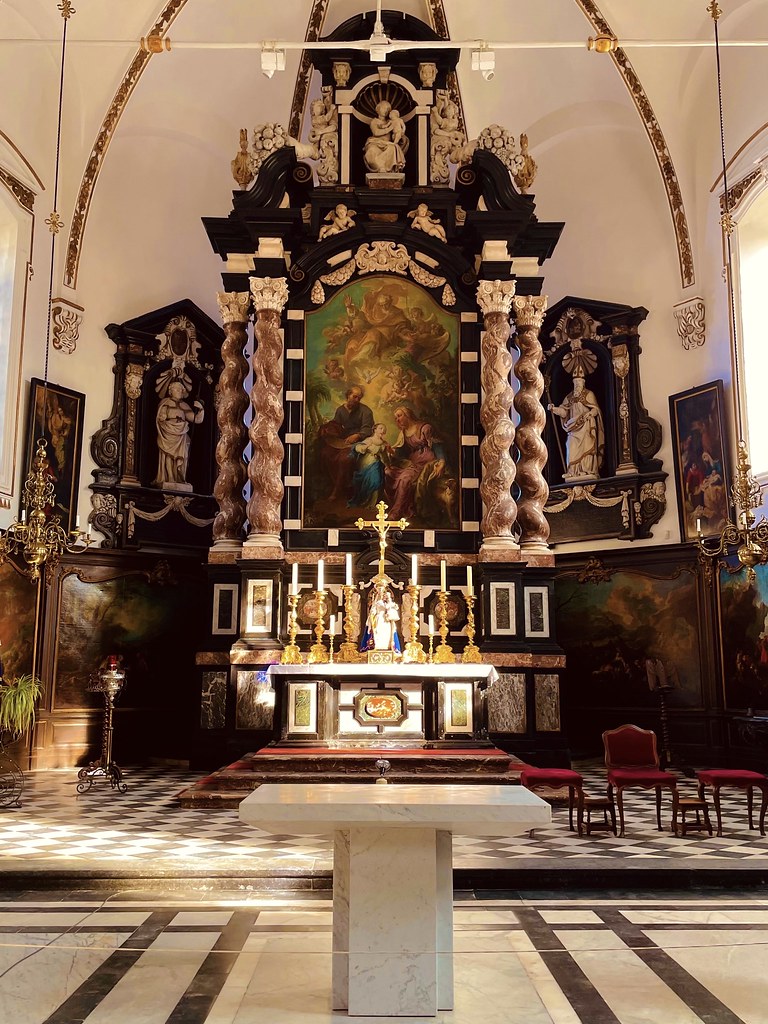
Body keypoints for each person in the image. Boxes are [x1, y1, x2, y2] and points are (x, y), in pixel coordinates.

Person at [385, 405, 448, 520]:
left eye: (399, 415)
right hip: (413, 462)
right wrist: (391, 451)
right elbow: (400, 452)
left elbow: (437, 445)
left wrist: (442, 461)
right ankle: (400, 507)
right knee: (389, 472)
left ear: (407, 414)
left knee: (405, 479)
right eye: (396, 418)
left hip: (427, 461)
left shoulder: (424, 428)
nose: (397, 419)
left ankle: (397, 511)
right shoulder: (403, 432)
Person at [321, 385, 374, 501]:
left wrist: (358, 435)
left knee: (344, 459)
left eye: (359, 398)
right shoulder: (340, 410)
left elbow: (368, 429)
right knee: (325, 453)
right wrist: (328, 429)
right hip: (341, 442)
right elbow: (337, 426)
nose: (356, 400)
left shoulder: (366, 411)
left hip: (358, 443)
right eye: (354, 397)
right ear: (348, 395)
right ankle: (338, 484)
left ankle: (337, 489)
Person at [548, 373, 604, 480]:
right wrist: (554, 409)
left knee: (587, 447)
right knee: (571, 446)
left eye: (579, 382)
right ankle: (573, 472)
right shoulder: (569, 397)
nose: (577, 384)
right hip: (573, 427)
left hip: (586, 426)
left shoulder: (589, 394)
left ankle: (587, 470)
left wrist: (590, 414)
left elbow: (596, 409)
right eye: (575, 382)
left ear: (583, 383)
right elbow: (564, 412)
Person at [154, 380, 204, 487]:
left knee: (182, 456)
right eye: (177, 389)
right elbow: (160, 417)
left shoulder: (184, 405)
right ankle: (170, 478)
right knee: (168, 455)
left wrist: (200, 409)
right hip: (168, 431)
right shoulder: (165, 403)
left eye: (181, 389)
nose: (179, 391)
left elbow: (195, 419)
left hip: (181, 433)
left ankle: (180, 478)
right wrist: (162, 418)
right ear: (171, 391)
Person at [349, 423, 389, 508]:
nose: (383, 430)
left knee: (376, 480)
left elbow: (385, 458)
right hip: (366, 464)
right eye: (381, 428)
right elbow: (357, 448)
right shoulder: (369, 440)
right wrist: (365, 447)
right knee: (367, 483)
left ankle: (372, 504)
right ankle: (367, 501)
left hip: (376, 465)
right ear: (375, 430)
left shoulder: (383, 444)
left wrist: (388, 464)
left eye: (384, 429)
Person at [363, 101, 408, 174]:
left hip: (388, 144)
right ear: (378, 109)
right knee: (372, 150)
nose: (386, 110)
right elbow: (376, 132)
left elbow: (396, 133)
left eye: (388, 109)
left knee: (393, 148)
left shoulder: (391, 121)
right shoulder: (374, 121)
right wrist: (389, 129)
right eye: (384, 108)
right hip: (375, 142)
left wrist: (400, 135)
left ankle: (388, 169)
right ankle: (380, 168)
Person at [360, 581, 401, 653]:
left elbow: (391, 606)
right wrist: (372, 613)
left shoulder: (387, 600)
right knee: (378, 632)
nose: (380, 591)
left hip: (386, 619)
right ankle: (378, 646)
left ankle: (387, 647)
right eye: (378, 589)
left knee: (387, 633)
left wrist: (389, 602)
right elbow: (373, 609)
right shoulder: (376, 601)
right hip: (378, 618)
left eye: (381, 589)